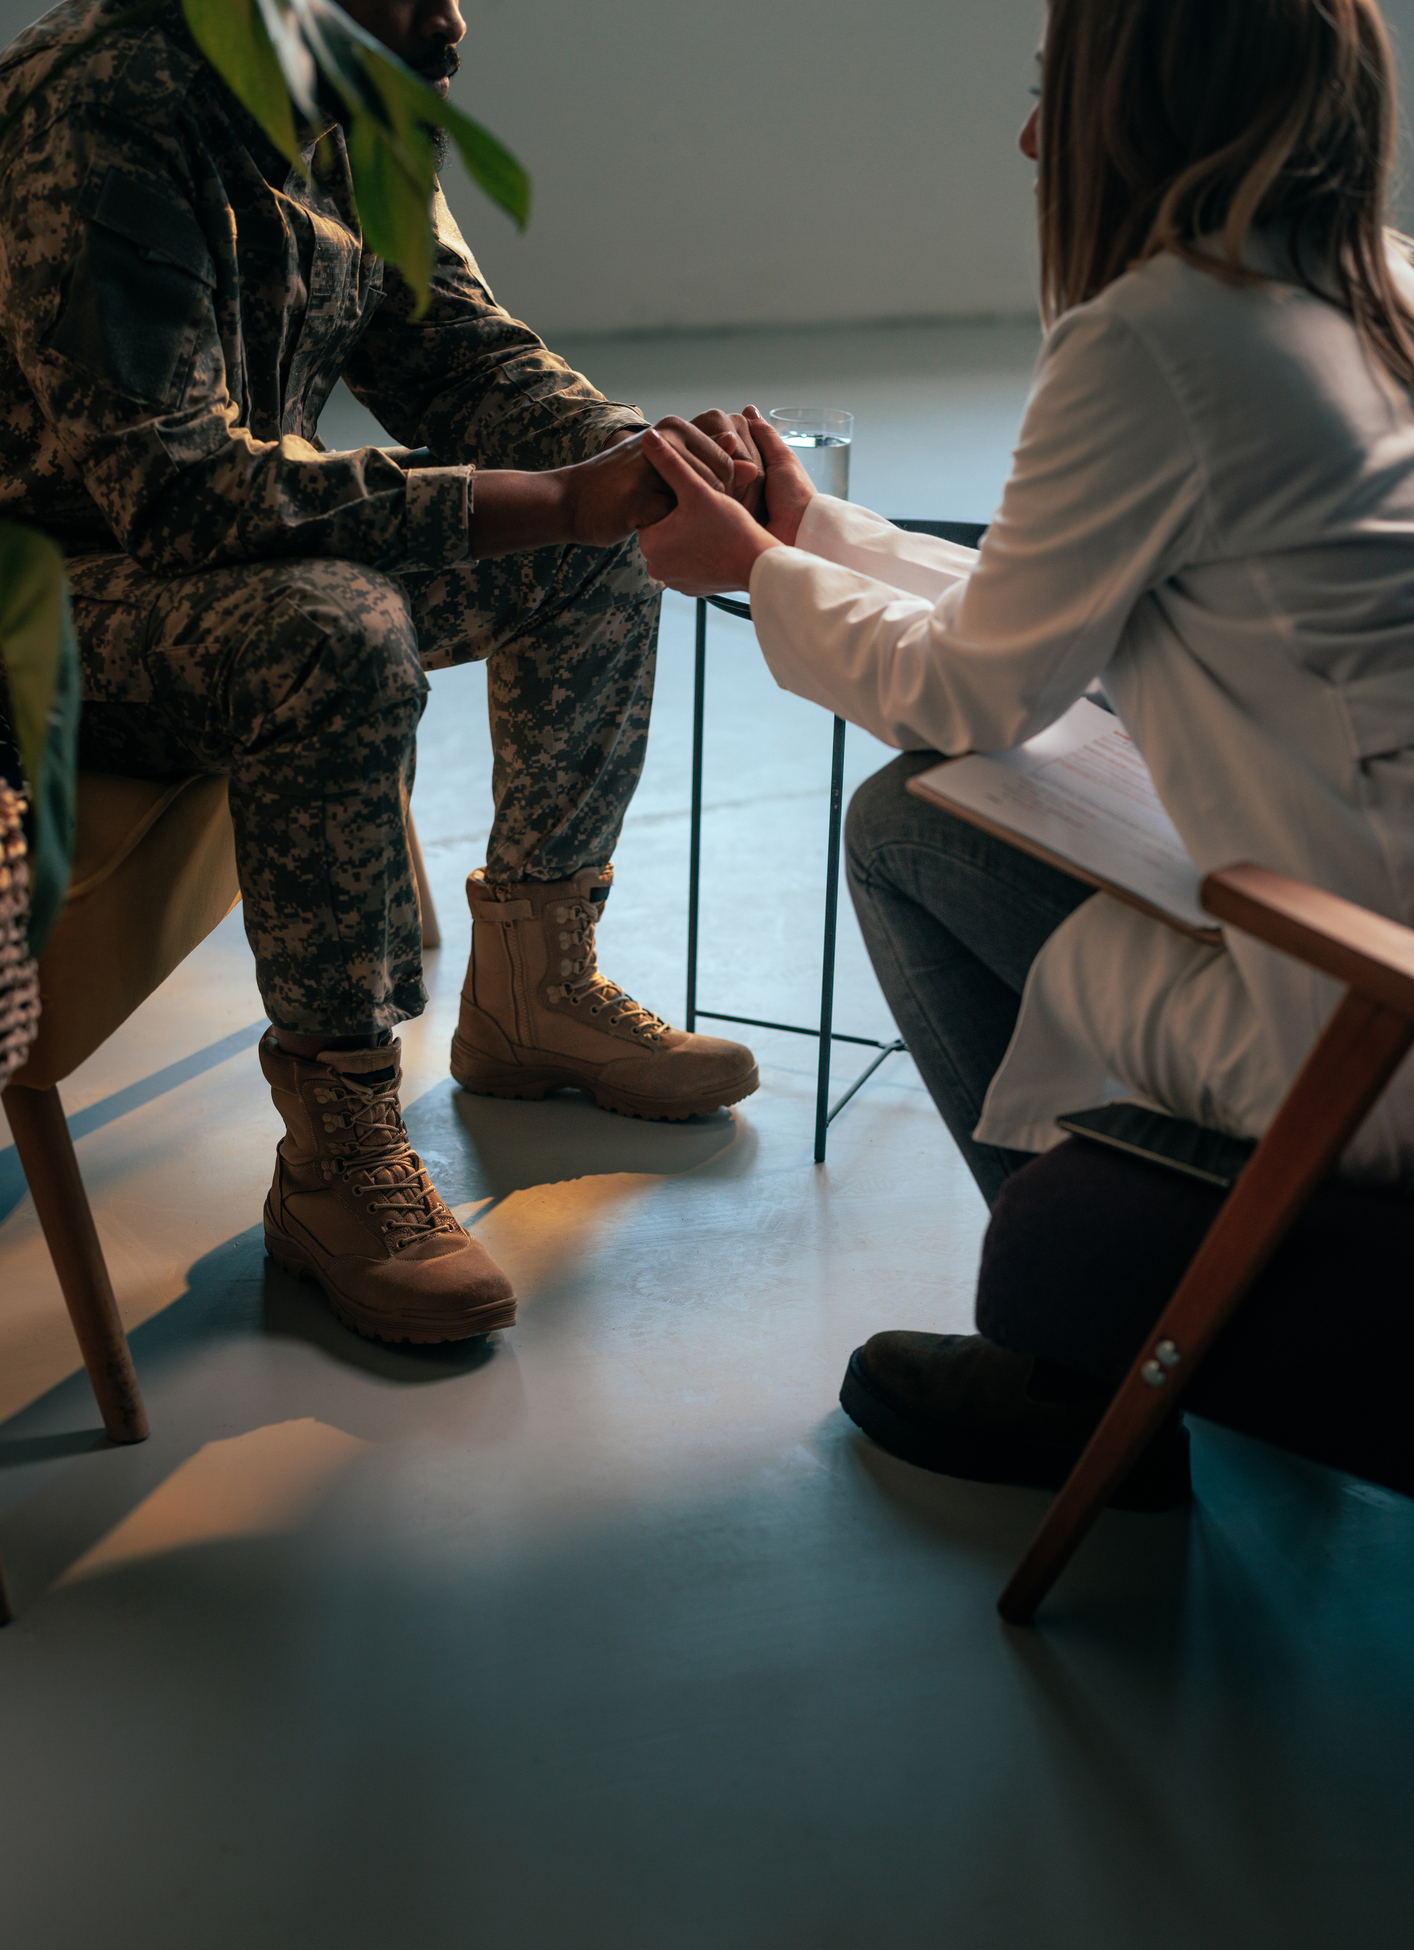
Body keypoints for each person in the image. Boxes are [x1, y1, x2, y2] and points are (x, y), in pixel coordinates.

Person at [637, 0, 1414, 1509]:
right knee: (1003, 784)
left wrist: (743, 568)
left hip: (1361, 1028)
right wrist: (808, 536)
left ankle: (1090, 1369)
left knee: (908, 823)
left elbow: (978, 691)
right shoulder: (1375, 289)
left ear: (1148, 111)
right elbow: (1061, 612)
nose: (1026, 138)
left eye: (1055, 93)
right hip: (1384, 928)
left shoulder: (1158, 338)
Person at [0, 0, 761, 1348]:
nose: (451, 15)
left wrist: (643, 467)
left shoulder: (353, 84)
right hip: (45, 599)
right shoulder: (101, 100)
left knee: (595, 543)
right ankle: (338, 1153)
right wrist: (544, 498)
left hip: (213, 552)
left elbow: (454, 351)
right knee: (331, 627)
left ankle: (535, 986)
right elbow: (172, 491)